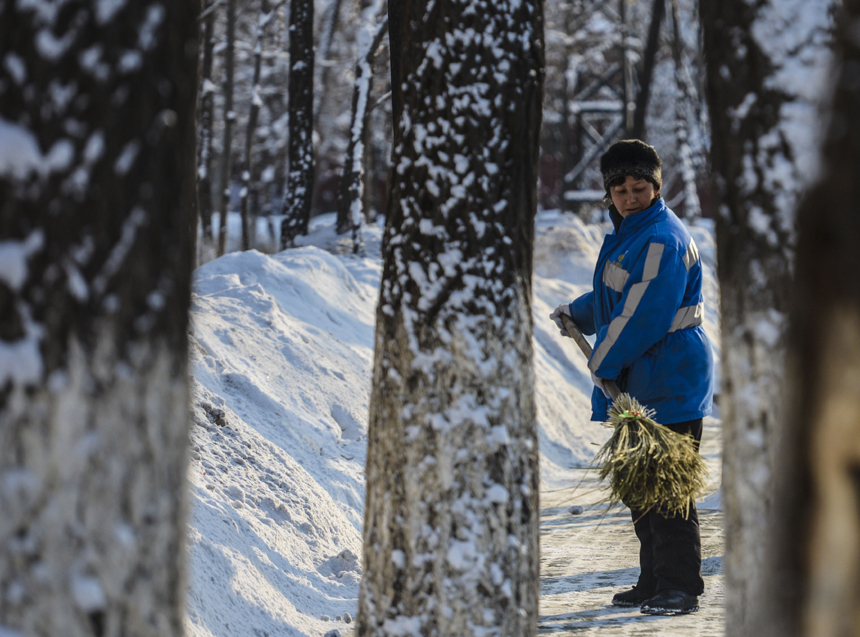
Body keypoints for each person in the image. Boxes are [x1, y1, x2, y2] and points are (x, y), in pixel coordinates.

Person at [550, 139, 714, 615]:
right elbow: (616, 297)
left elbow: (643, 314)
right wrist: (578, 314)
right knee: (641, 486)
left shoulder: (662, 237)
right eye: (619, 189)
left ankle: (680, 586)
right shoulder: (630, 233)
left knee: (668, 488)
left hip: (668, 374)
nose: (629, 196)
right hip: (643, 375)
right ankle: (654, 580)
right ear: (609, 193)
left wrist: (602, 358)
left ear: (656, 186)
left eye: (638, 187)